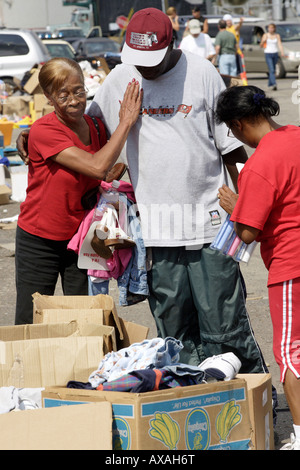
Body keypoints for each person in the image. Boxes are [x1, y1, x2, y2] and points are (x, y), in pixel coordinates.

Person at [17, 8, 268, 377]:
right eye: (138, 60)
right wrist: (33, 130)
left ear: (170, 45)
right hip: (156, 230)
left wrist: (247, 202)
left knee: (223, 322)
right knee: (174, 328)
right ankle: (191, 399)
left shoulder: (202, 72)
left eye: (152, 60)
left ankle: (255, 395)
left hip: (209, 224)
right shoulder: (121, 76)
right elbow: (85, 124)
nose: (145, 69)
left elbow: (230, 145)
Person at [15, 57, 142, 325]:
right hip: (40, 240)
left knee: (85, 317)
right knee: (31, 318)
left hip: (80, 237)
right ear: (48, 97)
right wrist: (126, 121)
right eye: (63, 95)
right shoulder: (44, 130)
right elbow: (96, 167)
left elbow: (106, 170)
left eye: (79, 91)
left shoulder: (95, 126)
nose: (74, 101)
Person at [215, 85, 300, 450]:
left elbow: (247, 232)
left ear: (238, 125)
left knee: (289, 352)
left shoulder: (260, 164)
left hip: (290, 265)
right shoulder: (296, 136)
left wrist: (236, 205)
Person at [260, 23, 285, 91]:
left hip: (275, 53)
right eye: (269, 28)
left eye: (272, 28)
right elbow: (261, 45)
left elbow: (279, 44)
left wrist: (282, 52)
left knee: (273, 69)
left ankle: (270, 83)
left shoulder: (277, 35)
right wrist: (264, 40)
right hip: (268, 53)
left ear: (274, 29)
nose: (270, 29)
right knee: (271, 69)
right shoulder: (265, 35)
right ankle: (274, 84)